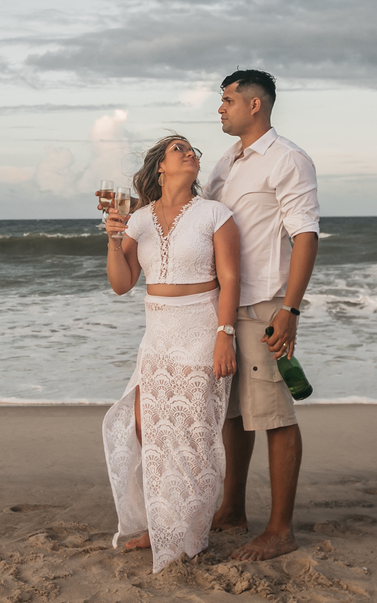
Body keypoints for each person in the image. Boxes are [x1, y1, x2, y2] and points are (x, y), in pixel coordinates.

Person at [102, 134, 241, 573]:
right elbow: (122, 283)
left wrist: (225, 333)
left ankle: (190, 533)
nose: (190, 154)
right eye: (180, 149)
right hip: (157, 335)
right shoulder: (139, 220)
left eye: (193, 151)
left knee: (192, 434)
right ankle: (160, 523)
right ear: (160, 166)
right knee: (147, 428)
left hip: (201, 329)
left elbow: (231, 279)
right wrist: (112, 238)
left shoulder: (215, 214)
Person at [204, 69, 320, 561]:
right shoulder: (226, 163)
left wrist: (290, 309)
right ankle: (232, 508)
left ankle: (280, 529)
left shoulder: (287, 159)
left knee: (274, 414)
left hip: (265, 303)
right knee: (234, 413)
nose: (220, 108)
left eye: (228, 99)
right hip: (224, 307)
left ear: (256, 105)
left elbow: (305, 236)